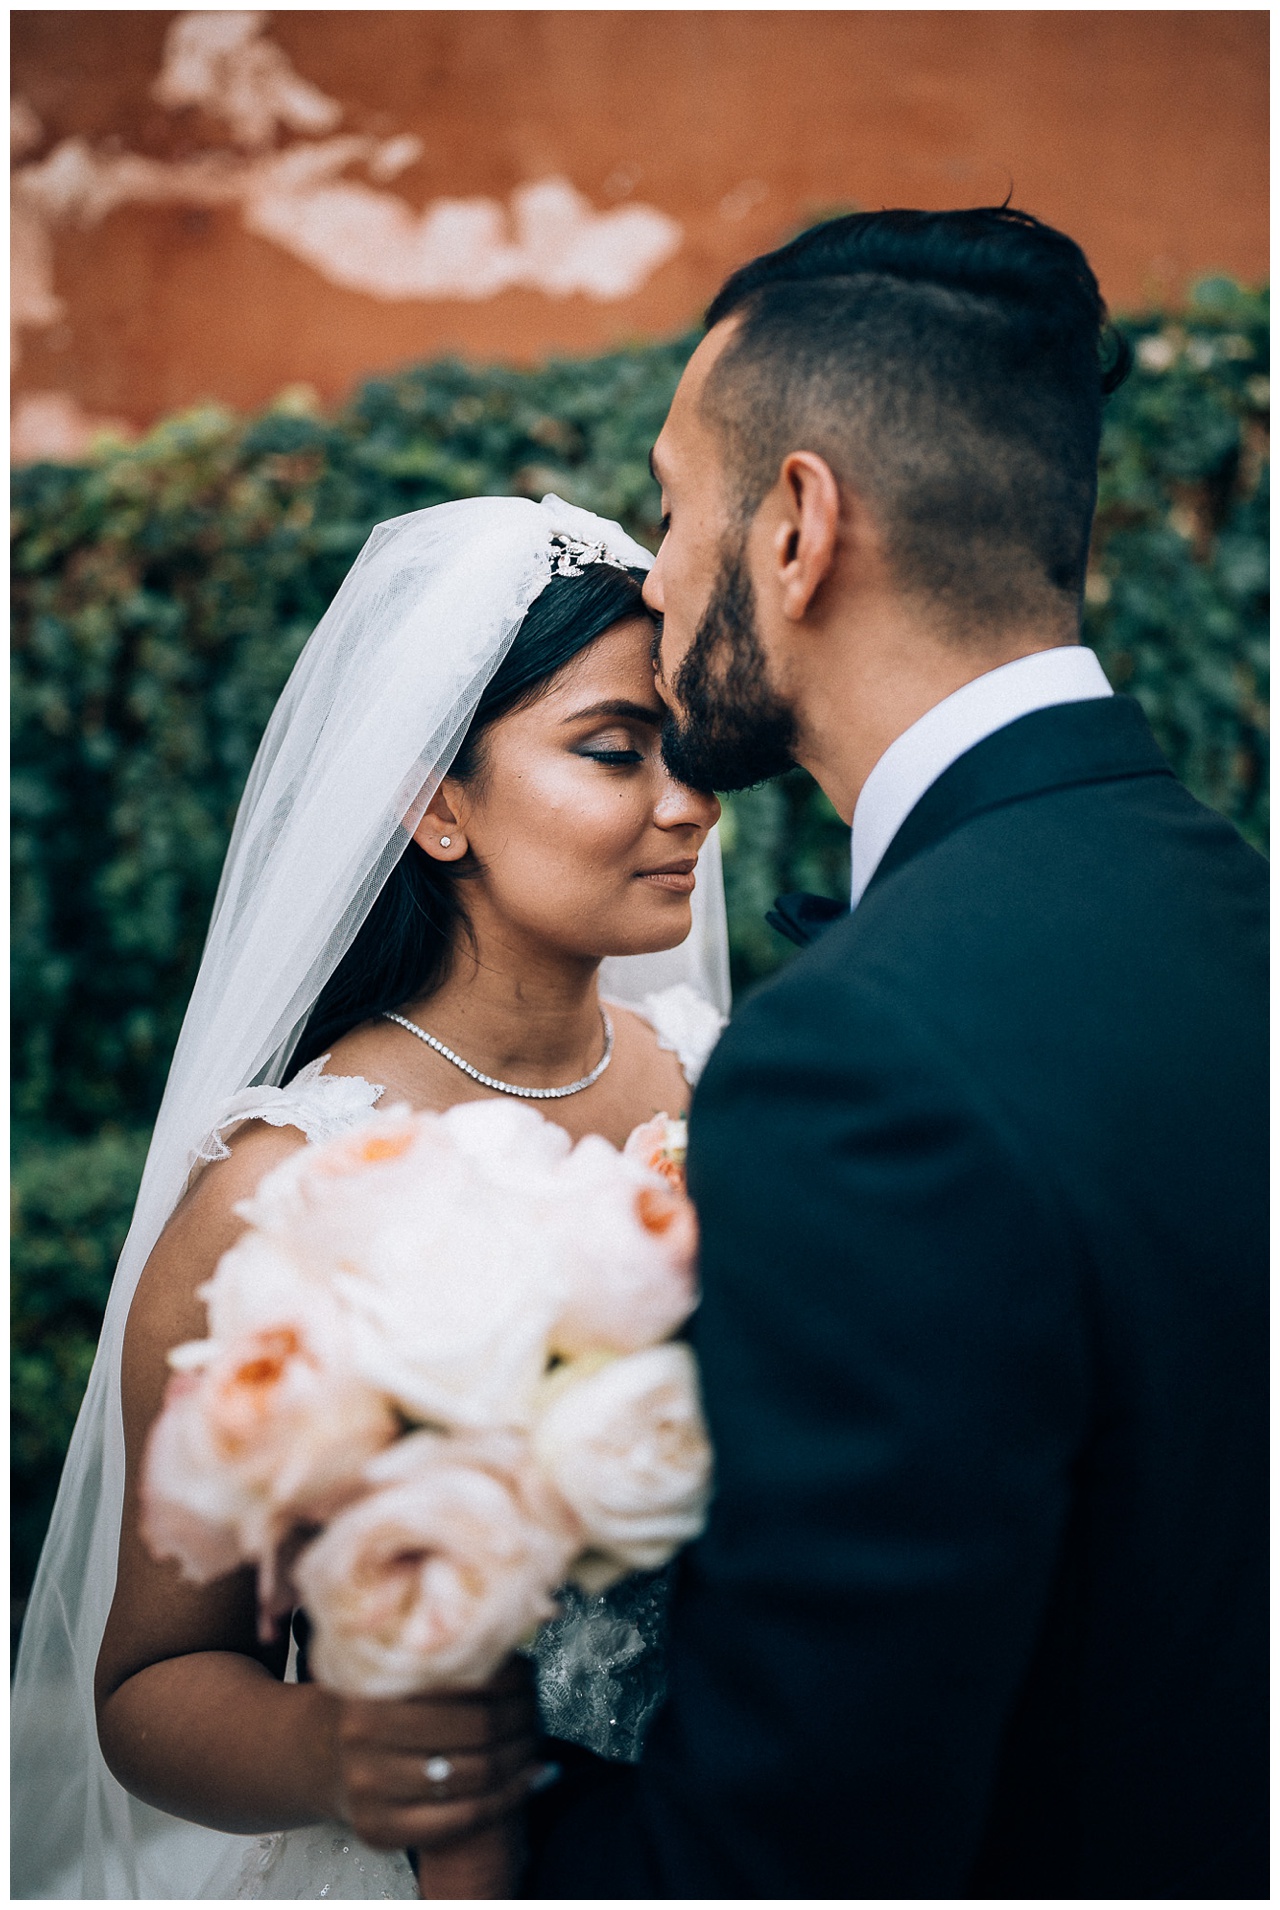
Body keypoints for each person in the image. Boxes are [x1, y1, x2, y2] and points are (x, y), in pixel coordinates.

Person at [448, 208, 1269, 1896]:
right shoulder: (1231, 905)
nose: (655, 569)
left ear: (800, 527)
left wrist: (477, 1829)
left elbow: (797, 1845)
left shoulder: (862, 1058)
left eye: (675, 509)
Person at [9, 495, 730, 1900]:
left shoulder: (729, 1087)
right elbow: (155, 1675)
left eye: (690, 750)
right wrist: (345, 1747)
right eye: (614, 751)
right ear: (437, 801)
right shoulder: (286, 1189)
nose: (687, 801)